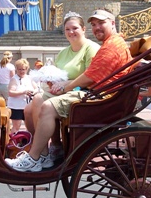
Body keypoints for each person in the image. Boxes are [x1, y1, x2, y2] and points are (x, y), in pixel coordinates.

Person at [6, 9, 131, 172]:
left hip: (100, 97)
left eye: (101, 23)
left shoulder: (109, 47)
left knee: (47, 107)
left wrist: (66, 86)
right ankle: (43, 152)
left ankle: (36, 156)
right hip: (99, 93)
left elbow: (90, 77)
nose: (97, 27)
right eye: (94, 24)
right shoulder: (111, 44)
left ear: (112, 23)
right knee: (35, 104)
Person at [24, 12, 99, 155]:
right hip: (62, 91)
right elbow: (57, 77)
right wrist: (50, 80)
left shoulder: (91, 48)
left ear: (83, 29)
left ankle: (42, 152)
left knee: (39, 100)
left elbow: (90, 77)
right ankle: (49, 146)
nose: (71, 32)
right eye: (67, 29)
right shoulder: (63, 53)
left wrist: (65, 84)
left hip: (81, 91)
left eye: (75, 28)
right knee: (28, 111)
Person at [7, 58, 39, 133]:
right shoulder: (14, 79)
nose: (22, 71)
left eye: (23, 69)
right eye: (19, 69)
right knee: (16, 126)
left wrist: (33, 92)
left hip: (28, 106)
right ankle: (14, 142)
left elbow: (36, 88)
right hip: (16, 107)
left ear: (27, 69)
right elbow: (10, 92)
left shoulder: (29, 78)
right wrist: (23, 92)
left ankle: (29, 142)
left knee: (30, 126)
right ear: (16, 69)